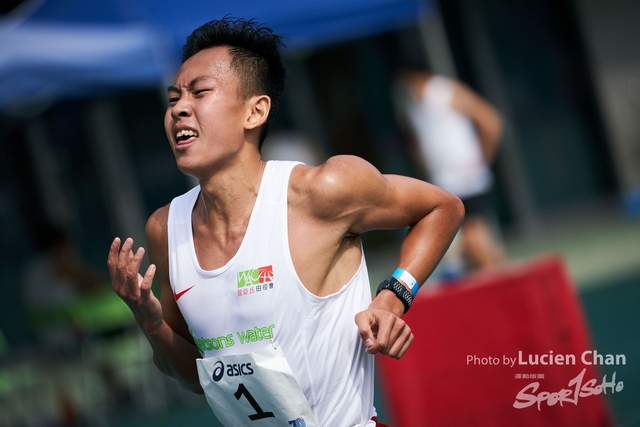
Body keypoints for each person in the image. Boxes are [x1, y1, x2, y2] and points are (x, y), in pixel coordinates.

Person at [107, 17, 464, 427]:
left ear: (255, 111)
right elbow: (195, 378)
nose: (178, 109)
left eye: (200, 92)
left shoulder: (322, 190)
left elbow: (443, 208)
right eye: (173, 99)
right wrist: (151, 324)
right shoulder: (165, 229)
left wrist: (392, 296)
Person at [395, 67, 506, 275]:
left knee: (473, 239)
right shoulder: (412, 107)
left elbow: (491, 120)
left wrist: (483, 157)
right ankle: (506, 275)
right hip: (444, 182)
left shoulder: (445, 91)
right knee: (468, 245)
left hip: (466, 178)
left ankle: (504, 280)